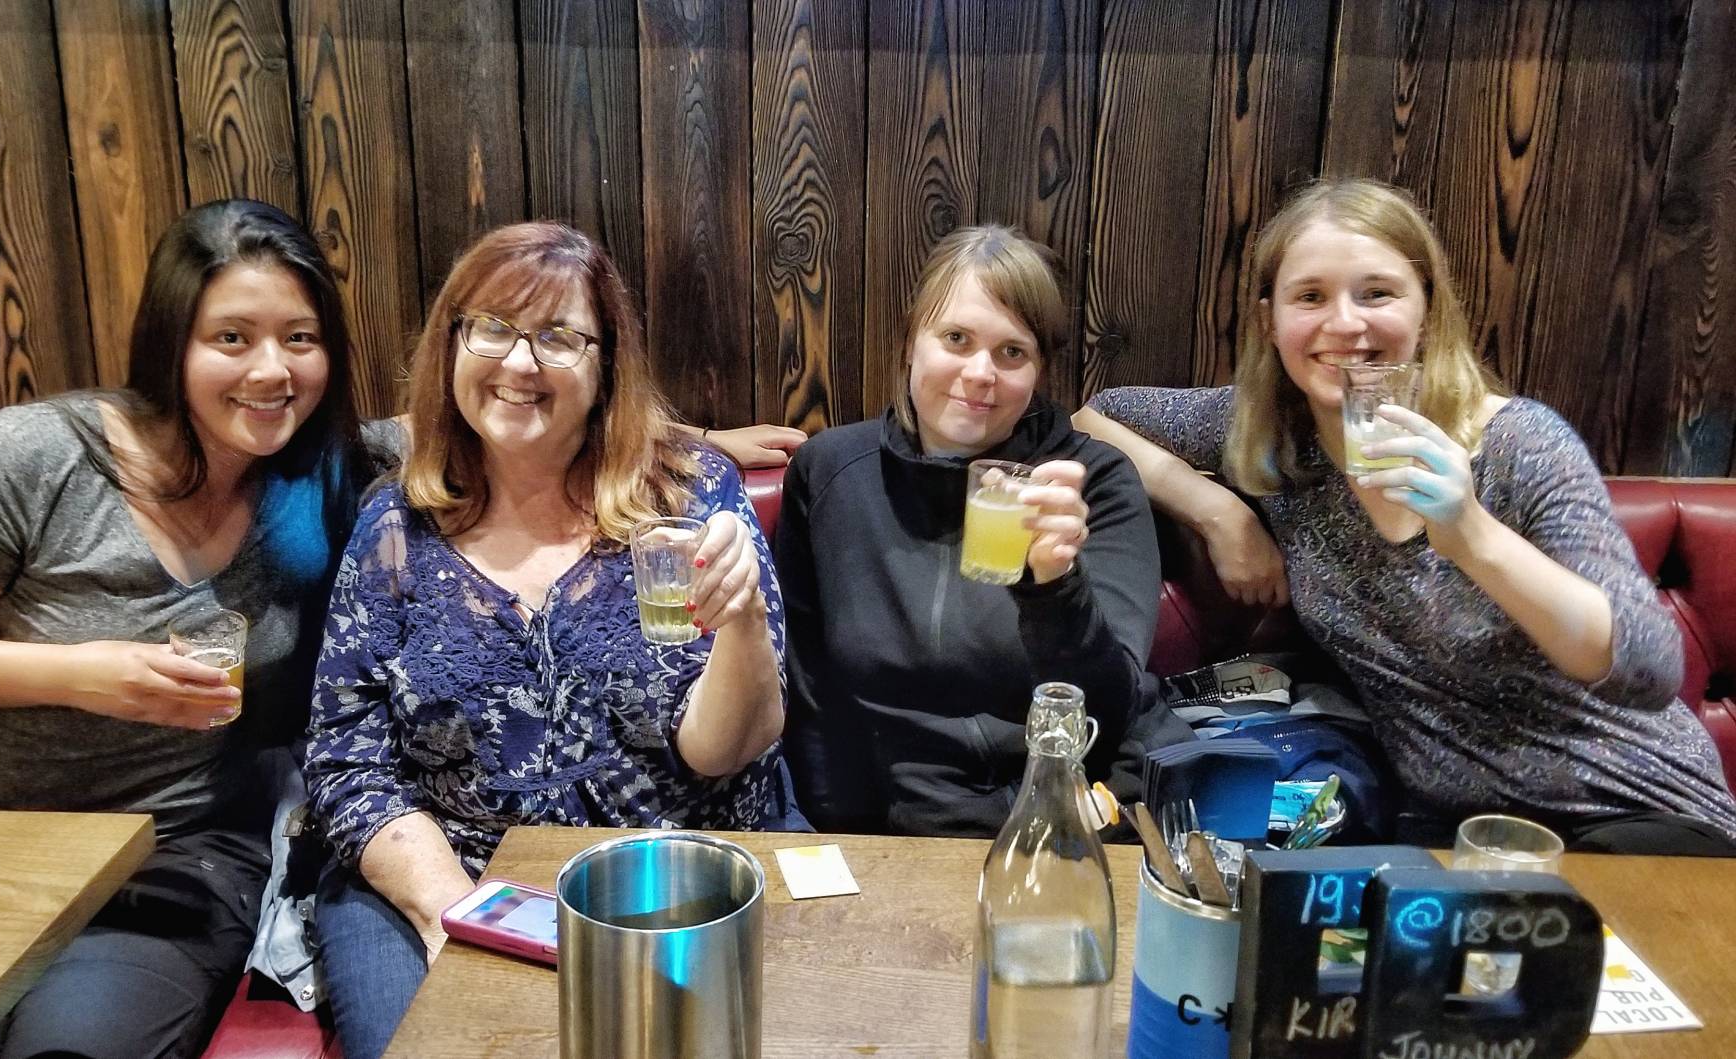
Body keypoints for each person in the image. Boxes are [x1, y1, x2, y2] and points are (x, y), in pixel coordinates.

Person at [1078, 177, 1736, 855]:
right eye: (1311, 296)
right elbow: (1096, 417)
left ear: (1427, 309)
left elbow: (1649, 669)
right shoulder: (1273, 436)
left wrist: (1473, 535)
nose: (1344, 323)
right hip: (1442, 836)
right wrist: (1220, 513)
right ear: (1270, 321)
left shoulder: (1515, 444)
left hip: (1629, 814)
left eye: (1377, 293)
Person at [303, 220, 796, 1059]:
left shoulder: (689, 496)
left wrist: (742, 617)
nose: (520, 362)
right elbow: (346, 760)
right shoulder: (395, 527)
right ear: (453, 345)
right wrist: (454, 914)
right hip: (444, 875)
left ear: (606, 367)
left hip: (672, 882)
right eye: (492, 328)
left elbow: (724, 752)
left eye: (559, 336)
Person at [0, 199, 372, 1058]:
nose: (271, 370)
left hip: (178, 847)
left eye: (300, 338)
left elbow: (487, 429)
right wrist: (78, 675)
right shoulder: (39, 458)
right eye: (232, 338)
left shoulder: (323, 477)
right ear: (172, 342)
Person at [775, 224, 1194, 838]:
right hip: (906, 830)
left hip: (1071, 812)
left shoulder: (1093, 481)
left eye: (1012, 352)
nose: (980, 373)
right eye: (956, 339)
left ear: (1038, 371)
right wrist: (845, 838)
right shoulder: (830, 472)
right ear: (911, 344)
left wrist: (1054, 586)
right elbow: (809, 696)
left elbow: (1108, 708)